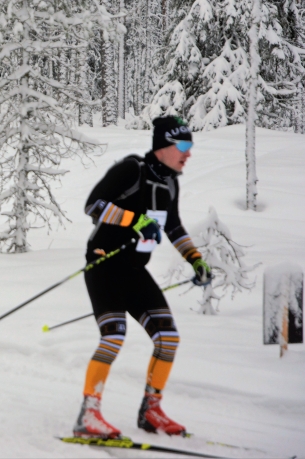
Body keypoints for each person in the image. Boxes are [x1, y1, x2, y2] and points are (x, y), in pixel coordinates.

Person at [73, 116, 213, 439]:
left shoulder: (170, 183)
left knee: (168, 338)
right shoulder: (132, 170)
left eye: (190, 146)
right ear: (163, 147)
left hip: (135, 271)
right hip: (103, 265)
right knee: (113, 336)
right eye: (183, 146)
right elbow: (93, 205)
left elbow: (173, 226)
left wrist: (195, 259)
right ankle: (88, 415)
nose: (188, 153)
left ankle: (151, 411)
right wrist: (134, 220)